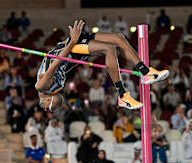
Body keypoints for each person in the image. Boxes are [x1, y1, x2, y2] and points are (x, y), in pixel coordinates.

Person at [35, 20, 169, 111]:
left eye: (49, 106)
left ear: (48, 98)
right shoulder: (53, 88)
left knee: (119, 38)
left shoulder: (41, 86)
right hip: (72, 49)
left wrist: (72, 42)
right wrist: (76, 50)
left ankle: (145, 72)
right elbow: (62, 65)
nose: (44, 106)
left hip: (69, 48)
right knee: (109, 48)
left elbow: (56, 61)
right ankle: (123, 95)